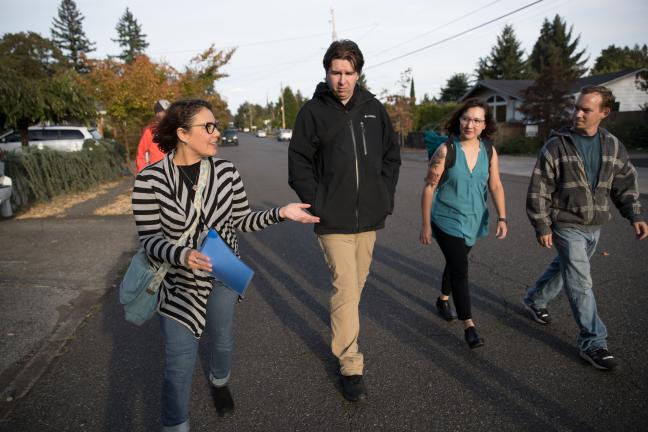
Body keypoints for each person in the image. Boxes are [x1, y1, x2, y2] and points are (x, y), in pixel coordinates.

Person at [132, 99, 319, 431]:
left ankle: (219, 382)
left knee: (221, 337)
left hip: (222, 271)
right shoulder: (150, 180)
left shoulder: (227, 172)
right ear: (182, 134)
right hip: (178, 283)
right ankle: (175, 424)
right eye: (209, 127)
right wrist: (182, 255)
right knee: (178, 363)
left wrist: (280, 212)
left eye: (215, 125)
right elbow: (150, 238)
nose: (216, 132)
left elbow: (241, 221)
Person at [288, 40, 401, 402]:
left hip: (369, 216)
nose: (342, 80)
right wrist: (318, 200)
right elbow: (299, 163)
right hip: (332, 218)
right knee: (346, 287)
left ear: (358, 73)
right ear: (326, 72)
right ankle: (350, 364)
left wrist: (384, 196)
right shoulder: (312, 112)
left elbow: (390, 157)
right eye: (335, 72)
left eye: (348, 73)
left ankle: (343, 324)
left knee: (357, 285)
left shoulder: (373, 109)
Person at [524, 85, 647, 371]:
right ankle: (593, 341)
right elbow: (539, 188)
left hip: (595, 223)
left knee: (566, 267)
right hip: (565, 222)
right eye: (577, 107)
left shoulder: (613, 146)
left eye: (586, 109)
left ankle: (535, 298)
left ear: (604, 113)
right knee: (581, 281)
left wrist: (635, 215)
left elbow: (625, 185)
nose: (577, 113)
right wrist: (542, 224)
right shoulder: (557, 145)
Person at [419, 99, 508, 349]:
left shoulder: (489, 151)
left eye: (477, 120)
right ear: (459, 119)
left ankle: (443, 298)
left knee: (455, 262)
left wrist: (503, 216)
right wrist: (426, 224)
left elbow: (496, 185)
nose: (470, 124)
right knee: (460, 267)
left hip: (474, 218)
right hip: (446, 219)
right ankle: (469, 324)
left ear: (484, 125)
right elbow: (429, 187)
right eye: (466, 118)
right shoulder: (446, 151)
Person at [136, 99, 170, 172]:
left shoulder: (175, 129)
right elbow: (141, 155)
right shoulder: (150, 131)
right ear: (157, 113)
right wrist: (142, 174)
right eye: (164, 111)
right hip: (157, 174)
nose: (167, 114)